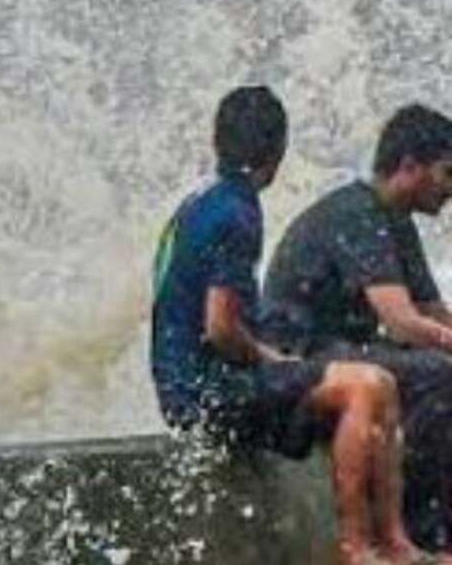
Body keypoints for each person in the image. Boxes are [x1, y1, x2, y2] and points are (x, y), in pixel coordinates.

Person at [152, 87, 431, 565]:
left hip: (183, 385)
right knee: (363, 388)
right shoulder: (237, 213)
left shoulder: (201, 200)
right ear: (278, 150)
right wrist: (272, 360)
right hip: (205, 394)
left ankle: (397, 545)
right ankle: (356, 547)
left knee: (381, 382)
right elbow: (220, 327)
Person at [265, 104, 452, 549]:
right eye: (447, 174)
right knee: (440, 376)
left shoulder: (398, 221)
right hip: (301, 357)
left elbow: (432, 311)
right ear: (409, 166)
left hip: (347, 347)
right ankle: (425, 534)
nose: (451, 190)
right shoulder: (357, 213)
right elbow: (401, 322)